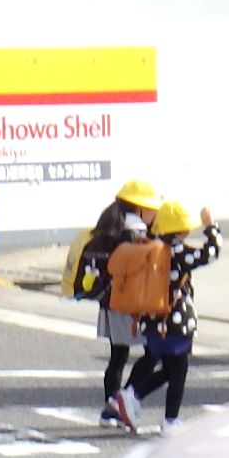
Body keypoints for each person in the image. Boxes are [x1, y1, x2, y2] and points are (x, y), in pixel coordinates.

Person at [113, 202, 218, 433]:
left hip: (151, 317)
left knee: (171, 368)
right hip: (175, 320)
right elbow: (211, 253)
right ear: (181, 230)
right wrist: (211, 227)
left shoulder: (151, 247)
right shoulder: (177, 251)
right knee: (178, 370)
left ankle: (133, 394)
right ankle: (168, 419)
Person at [77, 180, 161, 427]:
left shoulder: (108, 226)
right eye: (152, 208)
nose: (155, 214)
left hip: (109, 301)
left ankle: (110, 407)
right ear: (140, 208)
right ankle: (120, 402)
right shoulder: (135, 233)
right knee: (154, 353)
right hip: (132, 303)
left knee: (118, 357)